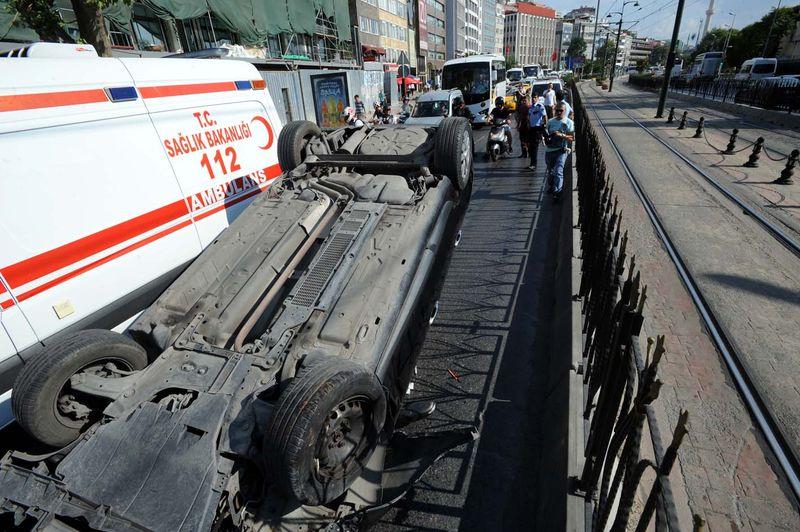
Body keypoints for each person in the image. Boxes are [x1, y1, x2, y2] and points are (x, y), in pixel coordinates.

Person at [544, 102, 575, 200]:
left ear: (565, 111)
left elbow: (572, 137)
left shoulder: (569, 123)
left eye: (560, 111)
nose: (558, 112)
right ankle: (552, 186)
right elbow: (545, 134)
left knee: (558, 171)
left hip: (561, 150)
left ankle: (557, 192)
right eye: (556, 110)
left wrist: (561, 135)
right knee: (551, 172)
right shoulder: (550, 122)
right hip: (549, 150)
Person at [527, 93, 547, 170]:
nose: (533, 99)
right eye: (532, 97)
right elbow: (529, 117)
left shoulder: (540, 106)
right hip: (531, 128)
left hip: (537, 128)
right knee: (531, 147)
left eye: (535, 97)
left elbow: (544, 116)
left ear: (538, 98)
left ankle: (534, 165)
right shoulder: (531, 107)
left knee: (534, 147)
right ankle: (532, 163)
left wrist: (545, 125)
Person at [515, 93, 530, 158]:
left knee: (528, 140)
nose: (523, 102)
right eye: (523, 101)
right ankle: (524, 153)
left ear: (528, 101)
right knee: (522, 140)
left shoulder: (530, 107)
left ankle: (529, 153)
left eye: (525, 101)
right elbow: (520, 117)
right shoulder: (521, 107)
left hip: (529, 126)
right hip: (522, 125)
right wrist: (518, 125)